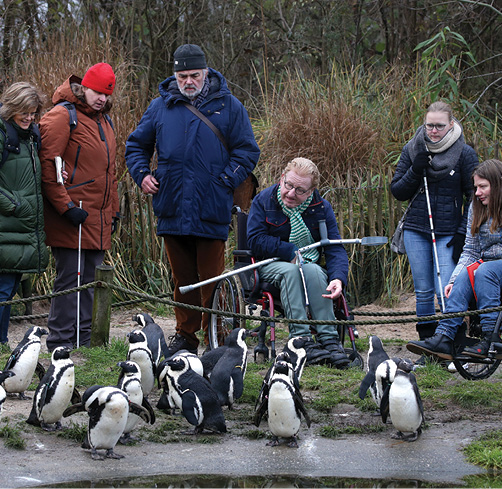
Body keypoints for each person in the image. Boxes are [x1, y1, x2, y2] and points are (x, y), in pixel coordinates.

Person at [125, 44, 260, 356]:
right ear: (175, 74)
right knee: (182, 279)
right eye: (182, 75)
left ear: (205, 72)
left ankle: (217, 337)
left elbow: (248, 150)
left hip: (211, 207)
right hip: (171, 206)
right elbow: (136, 145)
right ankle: (186, 336)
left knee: (211, 279)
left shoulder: (230, 106)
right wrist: (142, 174)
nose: (188, 81)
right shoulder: (160, 107)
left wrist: (226, 179)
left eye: (194, 75)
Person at [39, 63, 120, 352]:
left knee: (92, 282)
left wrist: (114, 208)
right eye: (97, 92)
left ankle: (86, 342)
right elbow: (49, 167)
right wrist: (65, 207)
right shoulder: (62, 116)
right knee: (68, 282)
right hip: (72, 215)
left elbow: (110, 172)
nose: (101, 98)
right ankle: (60, 341)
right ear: (83, 87)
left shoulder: (105, 120)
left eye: (106, 94)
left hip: (98, 215)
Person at [246, 157, 350, 368]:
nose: (291, 193)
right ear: (282, 178)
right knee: (291, 272)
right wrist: (288, 250)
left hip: (307, 264)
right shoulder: (263, 201)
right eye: (288, 185)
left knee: (313, 270)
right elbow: (255, 240)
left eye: (300, 190)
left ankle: (329, 340)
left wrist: (338, 278)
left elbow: (334, 246)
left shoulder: (322, 207)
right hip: (270, 265)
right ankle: (300, 341)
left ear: (311, 191)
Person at [390, 101, 478, 345]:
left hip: (449, 231)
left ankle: (453, 340)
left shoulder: (464, 153)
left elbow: (475, 196)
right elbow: (398, 190)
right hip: (416, 228)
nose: (433, 131)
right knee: (424, 291)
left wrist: (463, 232)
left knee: (446, 288)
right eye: (429, 125)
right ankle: (428, 343)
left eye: (439, 126)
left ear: (451, 124)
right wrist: (415, 170)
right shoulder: (413, 148)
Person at [407, 159, 502, 360]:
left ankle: (491, 337)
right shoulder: (476, 208)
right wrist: (453, 279)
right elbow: (470, 251)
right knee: (464, 277)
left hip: (494, 268)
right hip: (487, 266)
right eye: (476, 187)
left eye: (483, 187)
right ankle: (444, 336)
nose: (477, 193)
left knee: (484, 271)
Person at [0, 82, 49, 350]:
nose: (30, 118)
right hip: (8, 225)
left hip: (22, 228)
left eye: (33, 113)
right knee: (3, 289)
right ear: (11, 108)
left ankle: (2, 342)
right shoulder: (2, 134)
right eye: (25, 113)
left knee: (9, 288)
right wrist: (16, 205)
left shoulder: (30, 136)